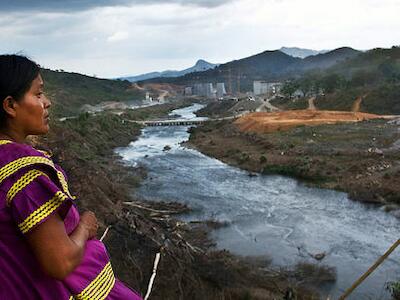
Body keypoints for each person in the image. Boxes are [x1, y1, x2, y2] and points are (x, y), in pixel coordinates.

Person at [0, 54, 142, 300]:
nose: (48, 102)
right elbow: (61, 262)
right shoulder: (23, 172)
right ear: (10, 105)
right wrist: (85, 227)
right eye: (38, 94)